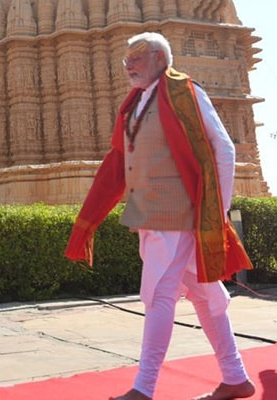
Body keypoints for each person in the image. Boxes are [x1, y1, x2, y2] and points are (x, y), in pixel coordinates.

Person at [64, 32, 255, 400]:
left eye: (136, 57)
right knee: (205, 296)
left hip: (178, 216)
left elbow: (224, 149)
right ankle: (235, 378)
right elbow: (118, 162)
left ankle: (144, 388)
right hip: (149, 217)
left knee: (158, 296)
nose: (128, 65)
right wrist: (89, 216)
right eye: (126, 59)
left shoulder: (185, 93)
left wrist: (217, 211)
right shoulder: (134, 104)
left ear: (158, 57)